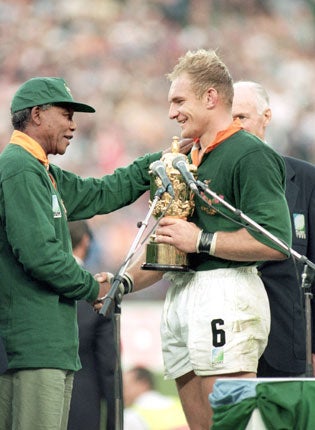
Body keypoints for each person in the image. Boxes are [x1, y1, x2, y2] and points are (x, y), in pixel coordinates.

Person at [94, 49, 292, 429]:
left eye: (179, 101)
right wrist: (122, 284)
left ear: (211, 97)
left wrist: (202, 240)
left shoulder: (249, 153)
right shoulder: (186, 158)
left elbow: (277, 241)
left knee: (230, 424)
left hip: (227, 292)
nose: (172, 113)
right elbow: (174, 245)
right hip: (183, 291)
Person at [0, 76, 186, 430]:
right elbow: (41, 256)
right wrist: (93, 287)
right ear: (37, 115)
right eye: (66, 114)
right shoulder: (19, 168)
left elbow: (100, 193)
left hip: (48, 344)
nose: (73, 125)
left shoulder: (41, 171)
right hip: (31, 345)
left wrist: (158, 161)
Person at [232, 80, 315, 377]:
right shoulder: (207, 182)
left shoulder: (306, 180)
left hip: (289, 349)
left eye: (242, 117)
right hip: (230, 344)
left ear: (266, 117)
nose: (235, 127)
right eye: (228, 119)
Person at [67, 220, 116, 430]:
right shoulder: (96, 291)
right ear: (85, 241)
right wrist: (114, 421)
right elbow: (108, 365)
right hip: (82, 404)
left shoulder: (27, 287)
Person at [123, 366, 189, 430]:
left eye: (125, 386)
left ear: (143, 383)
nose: (123, 392)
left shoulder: (131, 415)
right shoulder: (182, 405)